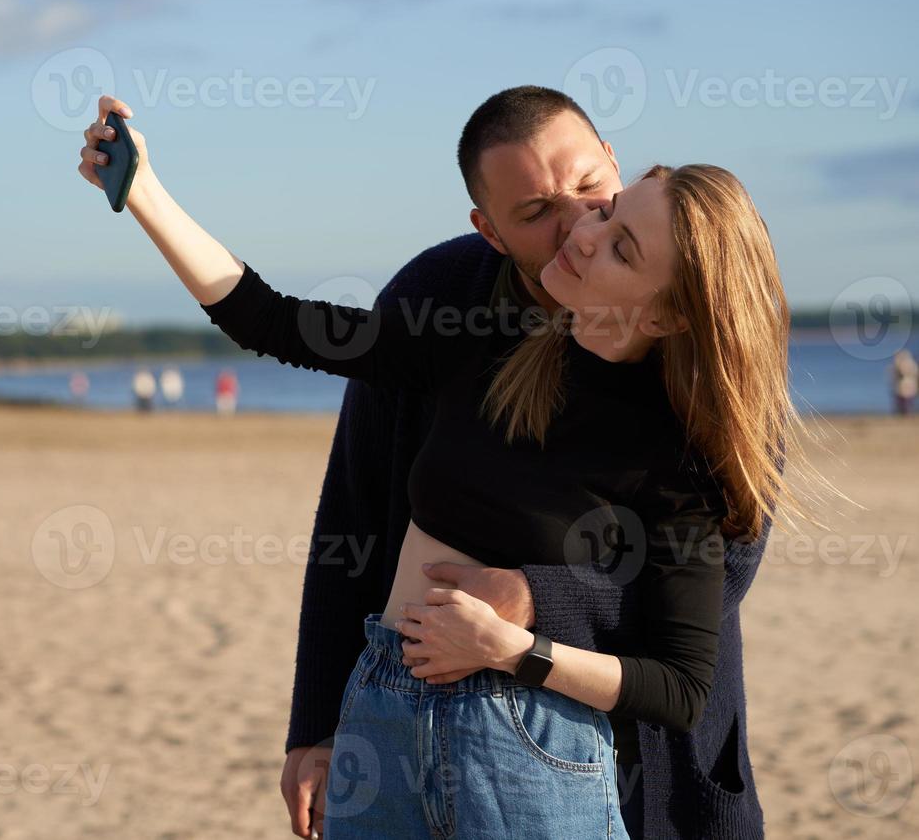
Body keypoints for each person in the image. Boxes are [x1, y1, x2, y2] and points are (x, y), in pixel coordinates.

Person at [76, 91, 825, 839]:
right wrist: (146, 194)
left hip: (551, 733)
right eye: (541, 212)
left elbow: (693, 639)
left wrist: (529, 615)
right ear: (490, 229)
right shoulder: (461, 319)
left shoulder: (694, 427)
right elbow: (337, 468)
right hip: (386, 700)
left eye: (599, 203)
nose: (578, 228)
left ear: (668, 312)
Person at [888, 348, 917, 415]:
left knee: (907, 403)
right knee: (902, 403)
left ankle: (907, 414)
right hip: (901, 387)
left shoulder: (910, 364)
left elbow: (913, 374)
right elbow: (893, 377)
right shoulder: (895, 365)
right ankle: (903, 414)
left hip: (908, 386)